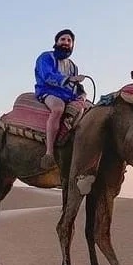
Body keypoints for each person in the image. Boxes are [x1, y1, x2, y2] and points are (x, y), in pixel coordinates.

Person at [34, 29, 86, 167]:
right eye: (63, 39)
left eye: (69, 41)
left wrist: (79, 90)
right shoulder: (46, 57)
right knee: (58, 108)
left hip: (67, 95)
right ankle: (49, 152)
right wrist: (70, 78)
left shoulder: (73, 66)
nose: (66, 43)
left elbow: (72, 85)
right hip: (48, 91)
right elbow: (47, 77)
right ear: (56, 42)